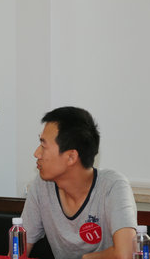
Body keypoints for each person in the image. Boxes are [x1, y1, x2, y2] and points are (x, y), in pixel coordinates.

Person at [21, 106, 137, 259]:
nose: (36, 153)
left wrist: (86, 258)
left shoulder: (113, 186)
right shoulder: (42, 185)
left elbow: (127, 253)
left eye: (43, 146)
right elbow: (18, 250)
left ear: (71, 157)